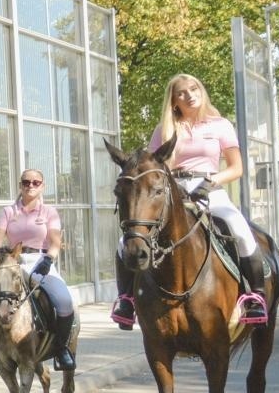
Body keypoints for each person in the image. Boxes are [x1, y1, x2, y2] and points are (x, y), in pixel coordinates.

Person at [111, 72, 268, 328]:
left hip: (209, 187)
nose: (190, 95)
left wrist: (212, 182)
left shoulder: (220, 125)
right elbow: (152, 167)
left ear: (201, 90)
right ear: (174, 101)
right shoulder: (164, 129)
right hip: (172, 190)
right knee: (124, 241)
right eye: (182, 92)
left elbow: (236, 168)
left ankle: (255, 296)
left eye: (193, 89)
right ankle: (126, 300)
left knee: (238, 228)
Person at [0, 169, 76, 371]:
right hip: (11, 261)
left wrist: (49, 258)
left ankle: (61, 349)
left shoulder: (49, 212)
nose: (30, 186)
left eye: (35, 182)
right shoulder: (9, 212)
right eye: (26, 182)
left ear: (43, 186)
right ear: (20, 185)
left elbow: (55, 241)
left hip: (40, 260)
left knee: (64, 301)